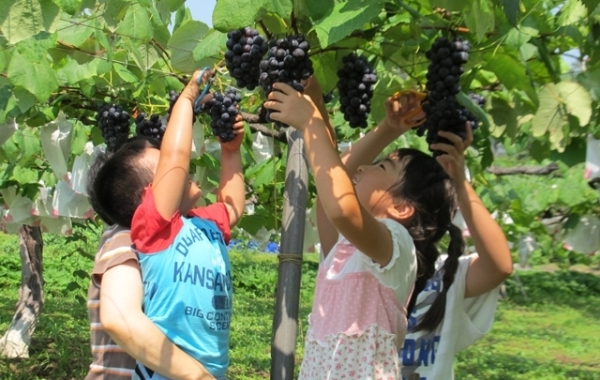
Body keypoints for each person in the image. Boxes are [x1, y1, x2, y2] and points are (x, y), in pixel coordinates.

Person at [265, 79, 468, 379]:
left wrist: (311, 124)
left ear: (401, 208)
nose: (363, 168)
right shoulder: (344, 251)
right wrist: (387, 128)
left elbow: (341, 207)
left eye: (381, 167)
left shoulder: (397, 246)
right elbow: (331, 190)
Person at [87, 69, 246, 380]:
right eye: (163, 167)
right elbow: (176, 155)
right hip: (166, 372)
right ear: (151, 196)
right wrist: (185, 102)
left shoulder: (203, 225)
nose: (181, 167)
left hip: (212, 372)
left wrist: (231, 151)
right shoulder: (154, 230)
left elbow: (233, 206)